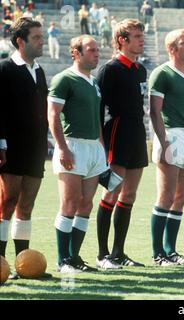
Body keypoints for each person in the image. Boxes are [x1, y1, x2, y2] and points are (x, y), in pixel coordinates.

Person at [48, 35, 107, 272]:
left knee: (86, 204)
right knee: (70, 203)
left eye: (97, 50)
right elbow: (52, 115)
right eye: (91, 50)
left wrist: (101, 147)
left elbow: (97, 119)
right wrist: (61, 147)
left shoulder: (94, 83)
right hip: (72, 145)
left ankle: (75, 258)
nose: (96, 54)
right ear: (76, 53)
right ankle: (63, 260)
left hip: (94, 147)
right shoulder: (64, 79)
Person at [0, 17, 51, 279]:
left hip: (35, 148)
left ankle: (23, 265)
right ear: (21, 41)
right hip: (11, 146)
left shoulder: (39, 71)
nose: (42, 42)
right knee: (7, 203)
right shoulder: (5, 69)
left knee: (27, 205)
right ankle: (0, 263)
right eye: (37, 38)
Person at [95, 19, 147, 269]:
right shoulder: (110, 69)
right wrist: (100, 143)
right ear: (122, 40)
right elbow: (99, 108)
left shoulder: (140, 70)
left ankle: (119, 253)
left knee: (130, 195)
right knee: (111, 192)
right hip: (117, 131)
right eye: (136, 36)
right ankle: (102, 254)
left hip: (137, 132)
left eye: (141, 35)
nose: (141, 39)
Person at [148, 29, 184, 266]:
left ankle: (171, 250)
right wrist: (164, 141)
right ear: (172, 48)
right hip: (171, 134)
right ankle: (158, 253)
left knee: (181, 196)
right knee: (166, 196)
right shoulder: (162, 74)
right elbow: (155, 111)